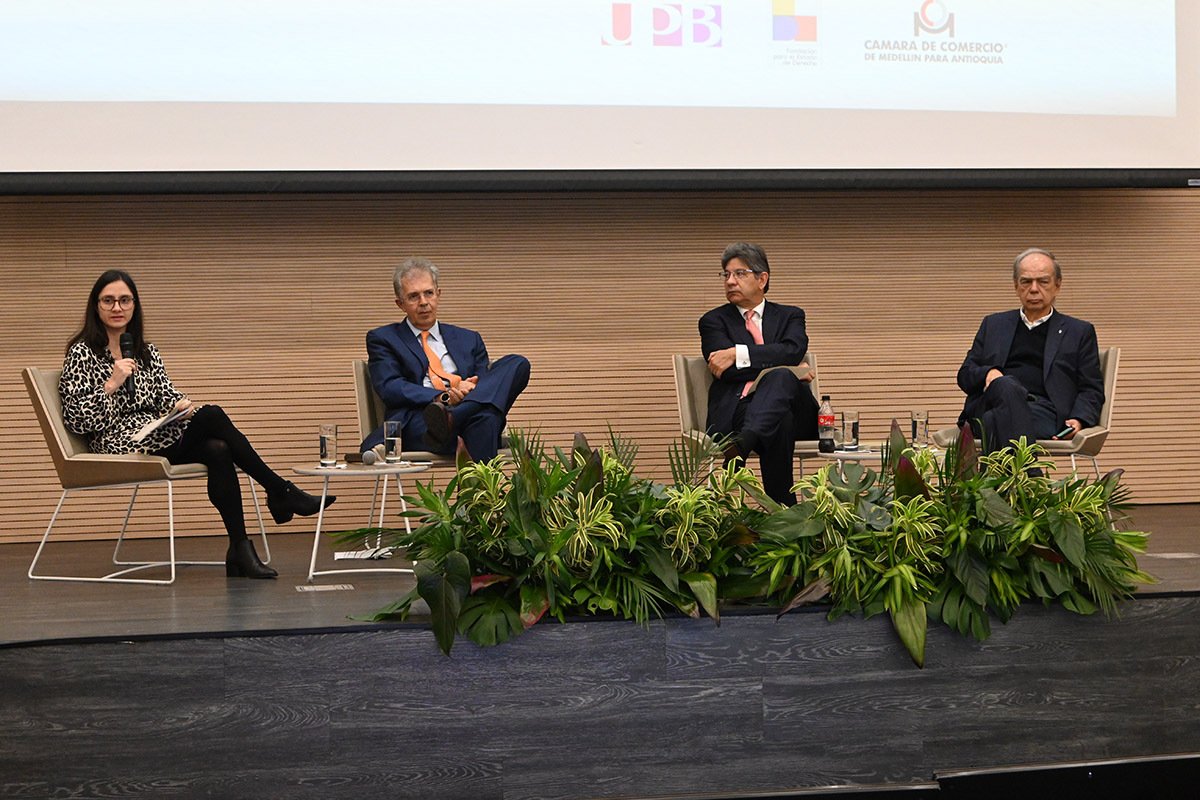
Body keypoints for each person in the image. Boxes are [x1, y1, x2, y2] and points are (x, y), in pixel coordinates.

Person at [59, 269, 335, 580]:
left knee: (218, 448)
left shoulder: (145, 351)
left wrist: (181, 406)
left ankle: (240, 549)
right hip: (116, 443)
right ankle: (280, 490)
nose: (117, 308)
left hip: (154, 433)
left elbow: (165, 394)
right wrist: (112, 382)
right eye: (108, 301)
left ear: (135, 306)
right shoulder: (82, 352)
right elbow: (78, 420)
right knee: (213, 415)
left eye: (124, 300)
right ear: (95, 306)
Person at [361, 257, 530, 462]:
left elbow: (485, 384)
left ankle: (453, 417)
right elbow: (391, 387)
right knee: (486, 420)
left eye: (429, 293)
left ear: (438, 295)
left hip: (464, 416)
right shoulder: (384, 338)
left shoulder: (469, 338)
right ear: (400, 304)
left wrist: (464, 399)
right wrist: (443, 398)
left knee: (517, 363)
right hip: (423, 424)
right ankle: (480, 494)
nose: (423, 302)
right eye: (414, 296)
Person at [699, 242, 818, 506]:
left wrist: (737, 354)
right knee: (780, 409)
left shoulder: (791, 316)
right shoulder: (713, 321)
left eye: (739, 274)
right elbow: (725, 372)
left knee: (781, 380)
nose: (730, 281)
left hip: (801, 415)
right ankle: (784, 510)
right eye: (726, 274)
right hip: (739, 410)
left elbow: (793, 350)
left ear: (762, 279)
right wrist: (787, 368)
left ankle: (740, 447)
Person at [956, 247, 1104, 453]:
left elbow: (1091, 388)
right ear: (1016, 286)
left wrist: (1079, 419)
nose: (1034, 289)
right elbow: (965, 375)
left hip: (1042, 411)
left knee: (994, 420)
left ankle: (1010, 482)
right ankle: (1029, 477)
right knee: (1005, 386)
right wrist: (989, 373)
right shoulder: (994, 324)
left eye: (1043, 281)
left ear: (1057, 285)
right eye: (1026, 281)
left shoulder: (1079, 331)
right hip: (987, 404)